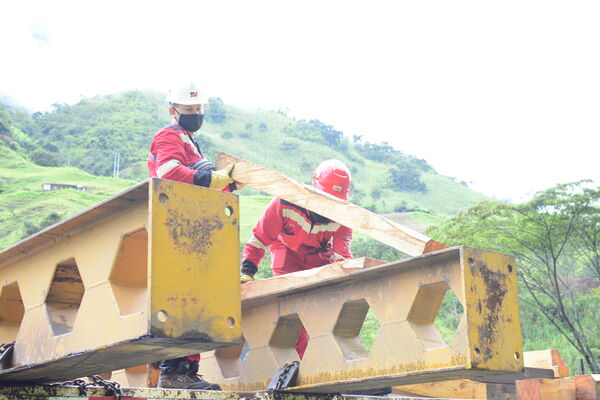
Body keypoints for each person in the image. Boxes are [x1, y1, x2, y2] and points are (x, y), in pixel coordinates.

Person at [148, 81, 237, 390]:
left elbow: (203, 180)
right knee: (184, 298)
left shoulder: (189, 141)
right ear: (173, 110)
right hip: (173, 224)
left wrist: (226, 183)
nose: (196, 114)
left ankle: (186, 370)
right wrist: (209, 178)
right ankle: (174, 373)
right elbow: (169, 173)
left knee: (198, 299)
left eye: (199, 109)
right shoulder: (168, 136)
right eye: (190, 110)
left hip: (191, 226)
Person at [240, 159, 352, 358]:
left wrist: (341, 282)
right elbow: (259, 237)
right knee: (294, 312)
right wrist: (248, 272)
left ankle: (325, 361)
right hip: (287, 256)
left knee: (324, 310)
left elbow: (341, 255)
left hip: (319, 259)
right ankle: (298, 365)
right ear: (314, 187)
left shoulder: (343, 215)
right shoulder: (285, 201)